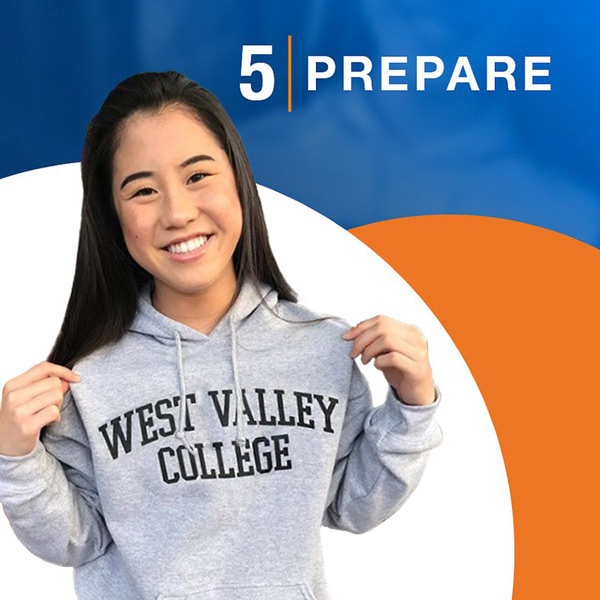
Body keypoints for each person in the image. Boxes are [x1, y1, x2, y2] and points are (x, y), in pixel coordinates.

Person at [0, 71, 443, 600]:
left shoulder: (322, 348)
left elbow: (350, 504)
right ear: (112, 216)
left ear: (239, 180)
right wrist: (15, 456)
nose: (178, 213)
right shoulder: (87, 378)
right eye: (142, 190)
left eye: (197, 176)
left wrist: (412, 407)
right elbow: (75, 540)